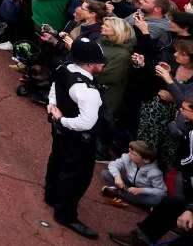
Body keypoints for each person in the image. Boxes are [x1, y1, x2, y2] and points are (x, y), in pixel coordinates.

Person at [46, 38, 108, 239]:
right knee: (76, 176)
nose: (103, 63)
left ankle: (51, 195)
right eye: (100, 61)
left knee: (57, 159)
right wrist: (63, 120)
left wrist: (52, 107)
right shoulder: (88, 91)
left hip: (60, 130)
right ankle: (65, 214)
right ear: (90, 64)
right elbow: (86, 123)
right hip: (79, 137)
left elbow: (55, 88)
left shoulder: (65, 67)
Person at [100, 141, 167, 210]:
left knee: (157, 200)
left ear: (146, 160)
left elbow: (162, 192)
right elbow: (113, 165)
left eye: (133, 154)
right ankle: (128, 196)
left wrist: (142, 190)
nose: (129, 154)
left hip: (142, 193)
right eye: (129, 151)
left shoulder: (154, 172)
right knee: (106, 173)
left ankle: (118, 192)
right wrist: (117, 177)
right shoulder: (127, 157)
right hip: (129, 185)